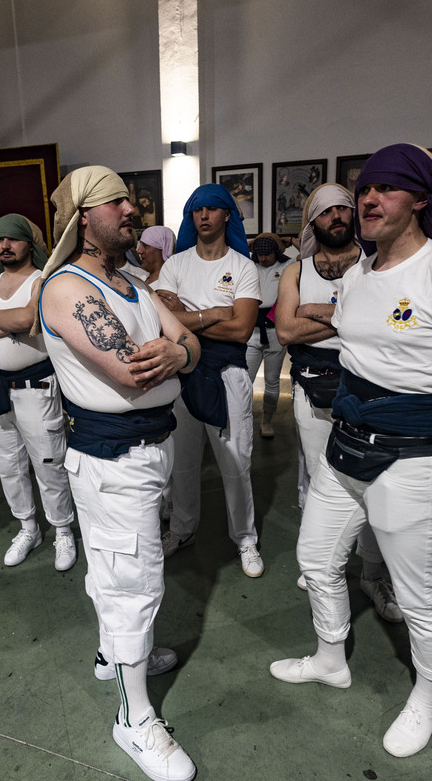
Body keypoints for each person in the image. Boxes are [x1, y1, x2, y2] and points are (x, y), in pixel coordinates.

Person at [269, 144, 432, 759]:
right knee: (316, 560)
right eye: (363, 189)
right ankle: (329, 659)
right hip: (344, 450)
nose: (368, 199)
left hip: (412, 457)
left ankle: (428, 693)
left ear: (420, 200)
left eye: (386, 189)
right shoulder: (356, 275)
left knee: (419, 594)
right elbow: (342, 332)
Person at [38, 166, 199, 781]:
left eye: (131, 202)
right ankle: (133, 720)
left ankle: (115, 655)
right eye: (116, 203)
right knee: (133, 578)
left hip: (148, 451)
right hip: (113, 460)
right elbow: (134, 370)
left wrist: (180, 351)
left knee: (119, 564)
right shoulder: (68, 290)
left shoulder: (134, 284)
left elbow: (190, 345)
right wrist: (176, 354)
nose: (131, 210)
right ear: (84, 218)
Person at [275, 182, 401, 624]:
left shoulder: (375, 267)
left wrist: (317, 311)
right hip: (314, 388)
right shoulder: (295, 271)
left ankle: (371, 572)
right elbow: (286, 332)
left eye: (344, 209)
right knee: (318, 476)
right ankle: (322, 563)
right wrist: (349, 318)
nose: (337, 217)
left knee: (372, 482)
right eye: (326, 211)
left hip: (370, 390)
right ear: (313, 220)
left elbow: (384, 327)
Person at [0, 214, 77, 569]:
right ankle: (28, 527)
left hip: (37, 388)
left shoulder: (44, 280)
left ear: (29, 243)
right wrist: (9, 321)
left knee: (48, 462)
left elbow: (28, 321)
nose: (5, 246)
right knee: (9, 464)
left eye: (13, 239)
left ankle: (62, 530)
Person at [155, 183, 264, 578]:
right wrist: (214, 313)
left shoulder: (243, 267)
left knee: (235, 462)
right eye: (196, 210)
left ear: (226, 216)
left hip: (227, 375)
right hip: (181, 375)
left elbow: (241, 331)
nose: (203, 216)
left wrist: (185, 314)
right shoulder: (176, 265)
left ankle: (245, 538)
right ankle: (182, 529)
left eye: (211, 209)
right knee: (182, 463)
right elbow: (160, 319)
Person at [246, 232, 294, 438]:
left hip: (275, 330)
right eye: (259, 254)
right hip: (252, 331)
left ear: (277, 252)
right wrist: (249, 244)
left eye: (268, 254)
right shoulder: (249, 265)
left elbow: (309, 254)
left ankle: (267, 420)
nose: (263, 258)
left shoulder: (288, 266)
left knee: (273, 381)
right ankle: (244, 418)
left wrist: (291, 242)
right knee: (245, 381)